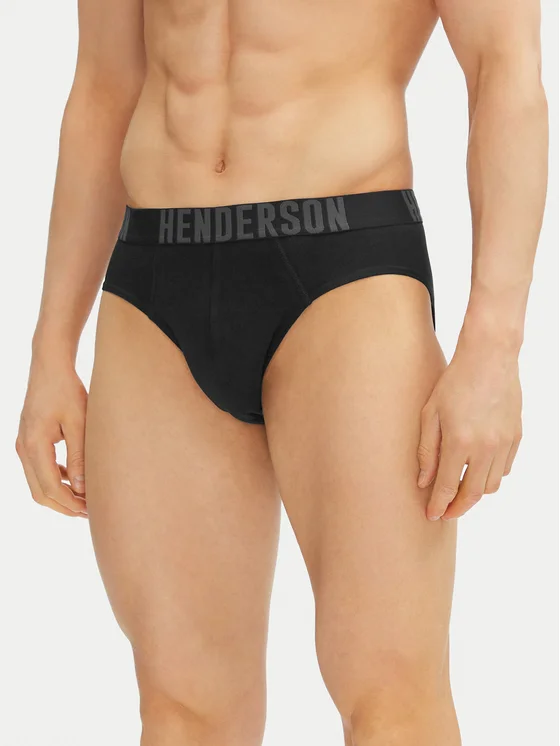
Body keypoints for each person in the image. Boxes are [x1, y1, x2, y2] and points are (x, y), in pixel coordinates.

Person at [16, 0, 548, 744]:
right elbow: (104, 88)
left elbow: (505, 70)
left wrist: (494, 345)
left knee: (390, 693)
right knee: (183, 711)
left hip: (345, 270)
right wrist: (50, 350)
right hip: (154, 278)